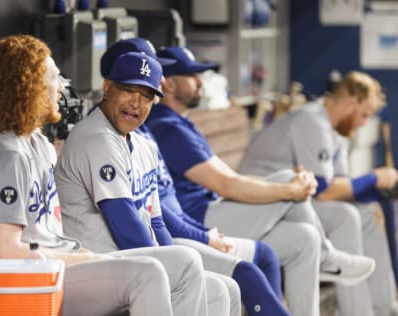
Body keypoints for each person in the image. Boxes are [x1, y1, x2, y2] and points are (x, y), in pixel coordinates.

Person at [0, 34, 212, 316]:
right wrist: (80, 258)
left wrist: (83, 257)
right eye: (54, 78)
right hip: (26, 285)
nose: (61, 87)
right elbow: (6, 252)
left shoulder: (38, 144)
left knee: (194, 273)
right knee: (151, 272)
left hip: (55, 267)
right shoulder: (5, 154)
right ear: (27, 87)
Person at [145, 46, 376, 316]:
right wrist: (290, 188)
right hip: (201, 220)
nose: (200, 82)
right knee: (291, 179)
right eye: (191, 76)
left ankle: (321, 264)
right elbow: (226, 185)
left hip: (213, 209)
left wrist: (292, 188)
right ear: (169, 84)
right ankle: (327, 257)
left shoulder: (179, 122)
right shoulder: (167, 127)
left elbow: (233, 179)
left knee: (305, 238)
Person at [93, 37, 291, 316]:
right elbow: (134, 219)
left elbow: (160, 208)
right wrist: (187, 245)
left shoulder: (143, 133)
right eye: (144, 74)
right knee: (244, 275)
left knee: (253, 268)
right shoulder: (112, 135)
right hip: (126, 255)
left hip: (172, 237)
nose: (158, 81)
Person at [238, 71, 398, 315]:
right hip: (260, 204)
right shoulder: (312, 121)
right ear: (350, 103)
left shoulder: (337, 132)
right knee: (345, 216)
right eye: (364, 115)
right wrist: (374, 177)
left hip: (293, 202)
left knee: (368, 213)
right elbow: (324, 192)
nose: (364, 122)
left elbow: (341, 186)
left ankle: (384, 308)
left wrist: (373, 193)